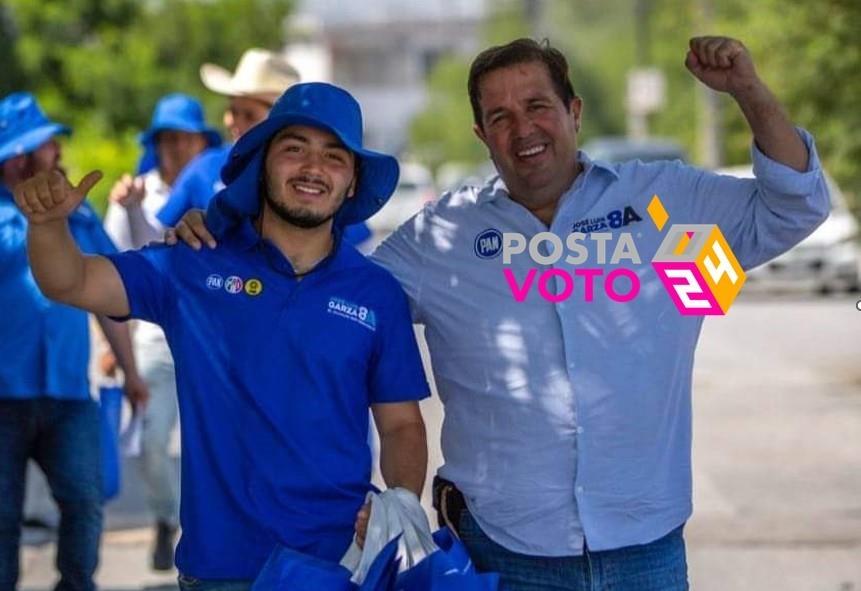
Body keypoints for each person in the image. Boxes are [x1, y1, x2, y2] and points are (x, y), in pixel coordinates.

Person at [173, 36, 831, 590]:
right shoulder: (441, 235)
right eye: (499, 116)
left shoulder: (668, 202)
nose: (523, 129)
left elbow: (794, 205)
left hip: (646, 549)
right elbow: (318, 285)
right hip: (504, 555)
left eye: (538, 106)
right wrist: (226, 231)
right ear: (480, 134)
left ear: (573, 111)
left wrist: (747, 89)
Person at [14, 82, 430, 591]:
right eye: (294, 148)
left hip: (340, 565)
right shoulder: (194, 263)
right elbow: (70, 281)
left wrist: (403, 499)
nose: (313, 168)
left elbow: (402, 424)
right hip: (220, 570)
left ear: (351, 182)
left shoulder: (376, 292)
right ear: (262, 163)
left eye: (334, 156)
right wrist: (47, 226)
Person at [0, 92, 149, 591]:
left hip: (68, 392)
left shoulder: (79, 216)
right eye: (48, 145)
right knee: (1, 517)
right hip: (3, 396)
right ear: (19, 155)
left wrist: (131, 372)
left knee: (85, 500)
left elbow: (112, 298)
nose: (58, 153)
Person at [102, 93, 221, 570]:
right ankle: (166, 518)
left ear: (200, 142)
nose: (176, 148)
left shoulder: (221, 188)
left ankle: (206, 532)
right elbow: (120, 268)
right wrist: (114, 347)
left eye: (184, 138)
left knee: (211, 444)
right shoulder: (133, 192)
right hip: (153, 343)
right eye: (167, 139)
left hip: (209, 342)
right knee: (151, 441)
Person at [155, 47, 373, 248]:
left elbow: (358, 254)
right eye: (232, 111)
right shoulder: (204, 168)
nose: (233, 121)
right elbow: (155, 237)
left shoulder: (325, 187)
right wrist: (183, 231)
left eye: (248, 115)